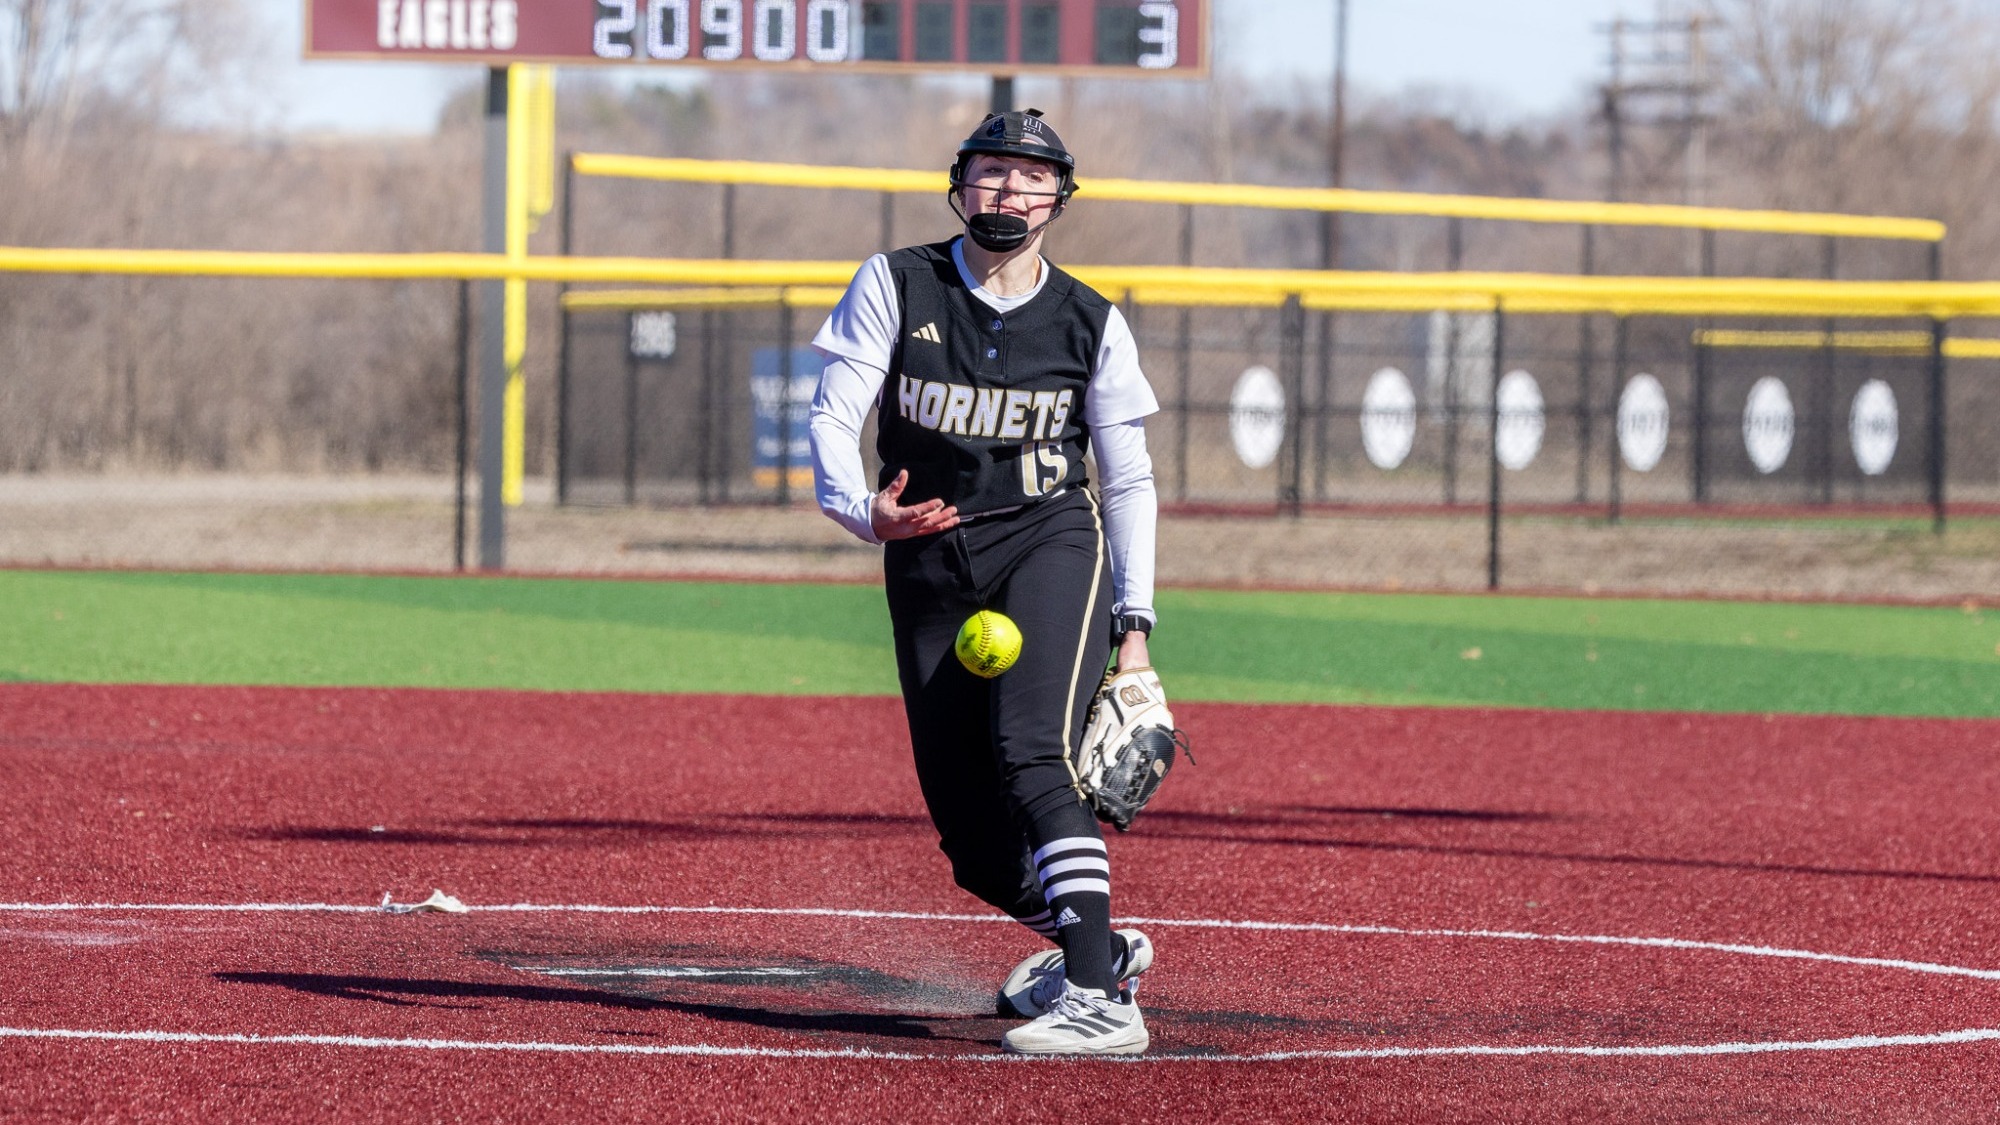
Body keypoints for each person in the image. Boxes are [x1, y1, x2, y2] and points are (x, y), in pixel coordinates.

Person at [807, 108, 1163, 1056]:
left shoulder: (1091, 320)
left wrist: (1135, 623)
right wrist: (860, 511)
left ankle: (1098, 1000)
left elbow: (1127, 476)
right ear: (960, 184)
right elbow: (834, 416)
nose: (1010, 193)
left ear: (1059, 197)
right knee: (966, 829)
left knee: (1032, 751)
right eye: (993, 174)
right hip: (925, 551)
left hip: (1049, 538)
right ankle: (1096, 946)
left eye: (1031, 178)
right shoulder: (895, 283)